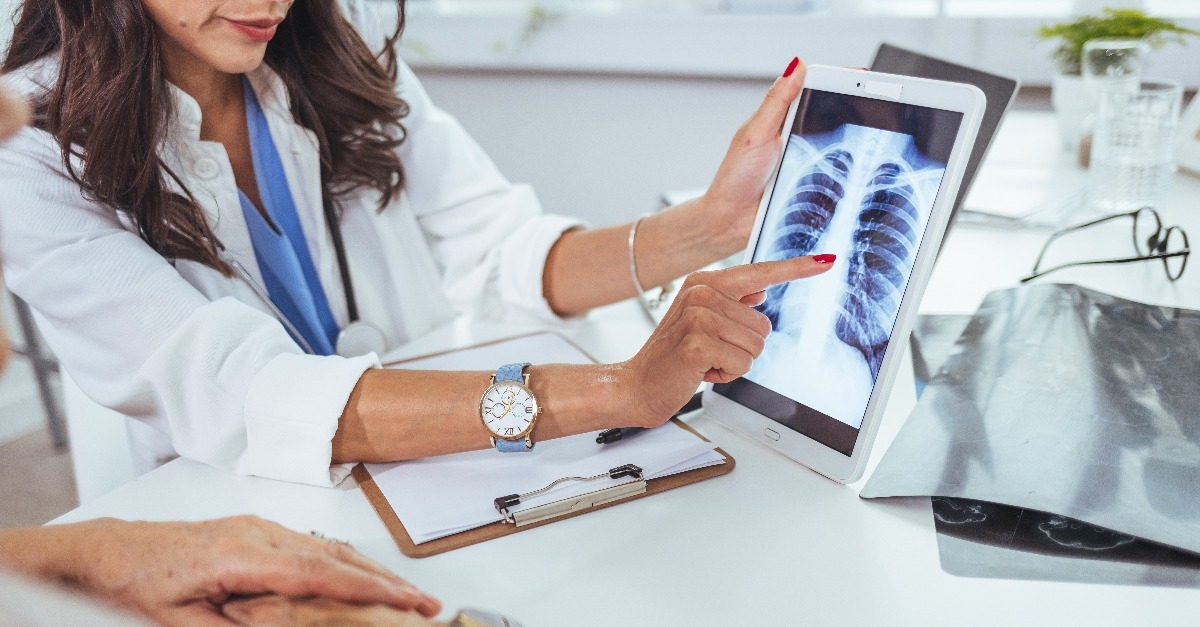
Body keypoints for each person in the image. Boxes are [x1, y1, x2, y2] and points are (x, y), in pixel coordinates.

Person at [0, 0, 833, 488]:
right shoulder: (27, 148)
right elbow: (251, 394)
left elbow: (502, 245)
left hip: (430, 475)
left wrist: (713, 223)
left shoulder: (332, 45)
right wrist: (619, 390)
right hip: (225, 513)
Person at [0, 77, 457, 627]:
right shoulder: (39, 136)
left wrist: (96, 559)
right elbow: (237, 387)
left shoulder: (329, 49)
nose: (11, 113)